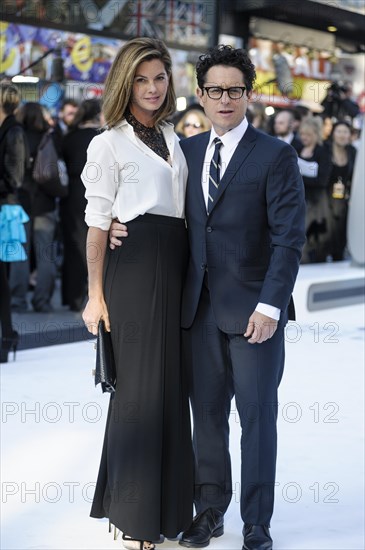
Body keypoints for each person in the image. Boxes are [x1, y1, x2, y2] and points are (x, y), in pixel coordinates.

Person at [110, 44, 306, 550]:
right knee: (209, 420)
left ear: (248, 93)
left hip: (254, 315)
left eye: (235, 90)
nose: (224, 99)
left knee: (258, 419)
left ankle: (257, 522)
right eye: (214, 90)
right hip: (195, 312)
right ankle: (210, 511)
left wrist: (270, 306)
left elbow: (289, 238)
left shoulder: (276, 154)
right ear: (199, 93)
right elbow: (155, 210)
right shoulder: (185, 152)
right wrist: (113, 223)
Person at [81, 37, 193, 550]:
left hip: (177, 269)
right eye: (142, 79)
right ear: (126, 83)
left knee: (170, 392)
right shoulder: (107, 143)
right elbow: (98, 226)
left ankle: (167, 512)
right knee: (139, 396)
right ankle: (132, 516)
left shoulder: (173, 138)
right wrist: (94, 295)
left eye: (160, 78)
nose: (152, 88)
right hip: (134, 274)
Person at [16, 102, 61, 312]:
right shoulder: (49, 137)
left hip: (20, 203)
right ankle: (42, 300)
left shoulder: (15, 136)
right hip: (45, 203)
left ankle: (17, 299)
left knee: (20, 254)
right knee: (46, 255)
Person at [60, 98, 102, 311]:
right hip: (99, 193)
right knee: (98, 244)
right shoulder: (103, 138)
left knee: (74, 246)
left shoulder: (69, 138)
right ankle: (98, 294)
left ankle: (73, 296)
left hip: (73, 196)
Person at [0, 81, 27, 362]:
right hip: (4, 208)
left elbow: (15, 178)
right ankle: (7, 334)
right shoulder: (7, 129)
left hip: (5, 211)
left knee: (1, 279)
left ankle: (7, 335)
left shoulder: (14, 131)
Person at [297, 117, 332, 263]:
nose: (304, 137)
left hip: (315, 202)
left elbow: (322, 180)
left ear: (316, 134)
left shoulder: (323, 151)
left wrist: (299, 178)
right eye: (302, 134)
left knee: (309, 236)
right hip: (298, 199)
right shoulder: (297, 148)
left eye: (308, 135)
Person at [325, 121, 357, 261]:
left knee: (340, 235)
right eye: (339, 131)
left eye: (345, 132)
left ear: (350, 135)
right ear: (333, 133)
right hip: (324, 199)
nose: (342, 135)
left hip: (343, 200)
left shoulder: (352, 152)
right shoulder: (325, 149)